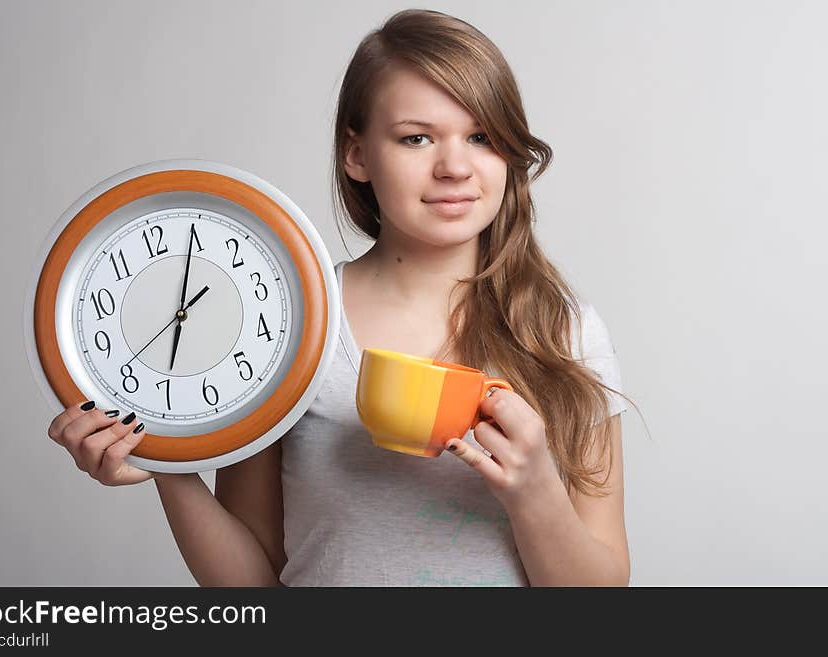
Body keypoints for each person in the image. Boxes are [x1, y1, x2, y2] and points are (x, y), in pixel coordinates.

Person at [46, 9, 635, 586]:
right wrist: (164, 463)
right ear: (357, 154)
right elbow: (252, 584)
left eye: (481, 136)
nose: (455, 167)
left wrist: (534, 492)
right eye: (416, 138)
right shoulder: (291, 324)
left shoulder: (564, 332)